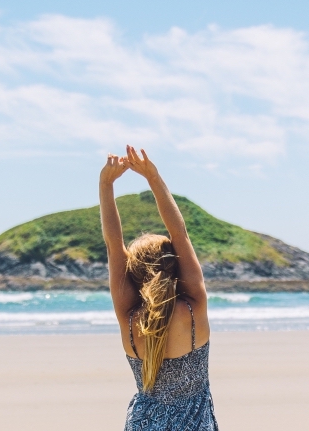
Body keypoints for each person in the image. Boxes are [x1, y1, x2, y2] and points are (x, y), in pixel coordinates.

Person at [99, 145, 219, 430]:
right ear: (174, 266)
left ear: (134, 274)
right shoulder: (193, 307)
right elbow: (181, 233)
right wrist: (153, 177)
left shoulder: (129, 316)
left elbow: (114, 246)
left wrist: (106, 184)